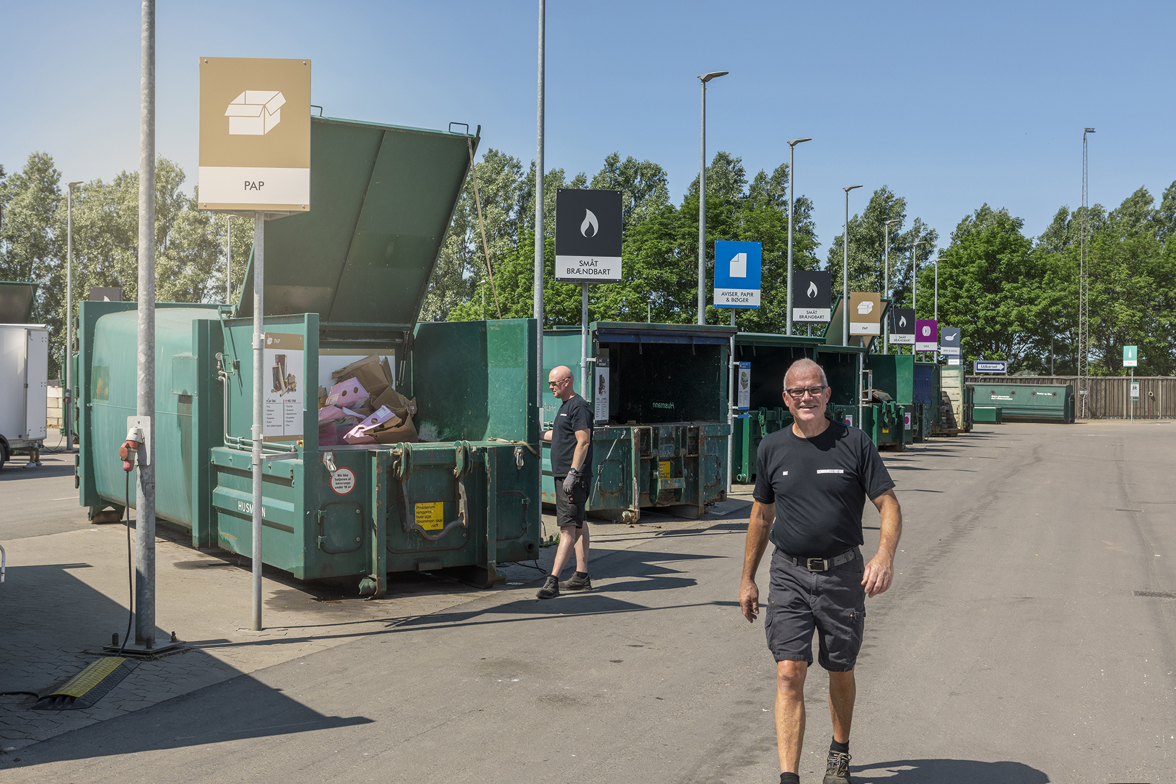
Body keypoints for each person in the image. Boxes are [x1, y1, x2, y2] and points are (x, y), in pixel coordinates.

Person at [739, 358, 902, 784]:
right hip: (788, 573)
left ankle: (839, 752)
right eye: (798, 392)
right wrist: (747, 578)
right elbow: (760, 517)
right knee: (789, 672)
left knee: (840, 669)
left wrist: (884, 556)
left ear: (827, 394)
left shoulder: (855, 442)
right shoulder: (771, 447)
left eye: (814, 390)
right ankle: (788, 777)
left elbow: (889, 505)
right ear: (786, 399)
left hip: (841, 576)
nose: (806, 397)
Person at [537, 365, 594, 599]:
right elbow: (558, 436)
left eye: (554, 383)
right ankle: (581, 576)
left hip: (573, 478)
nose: (550, 387)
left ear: (567, 381)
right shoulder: (565, 407)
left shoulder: (579, 406)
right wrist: (535, 433)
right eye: (550, 383)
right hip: (566, 476)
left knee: (567, 528)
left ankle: (553, 581)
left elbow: (583, 441)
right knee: (579, 523)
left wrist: (573, 472)